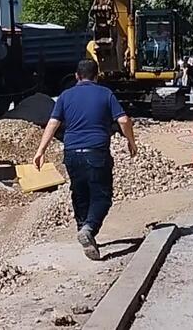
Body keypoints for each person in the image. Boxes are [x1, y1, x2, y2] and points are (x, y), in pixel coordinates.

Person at [33, 59, 138, 260]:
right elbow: (124, 120)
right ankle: (88, 229)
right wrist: (131, 141)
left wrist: (41, 150)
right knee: (102, 195)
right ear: (97, 76)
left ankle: (84, 230)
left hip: (72, 153)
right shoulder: (105, 93)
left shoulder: (65, 96)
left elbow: (53, 123)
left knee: (80, 194)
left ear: (76, 76)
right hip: (96, 152)